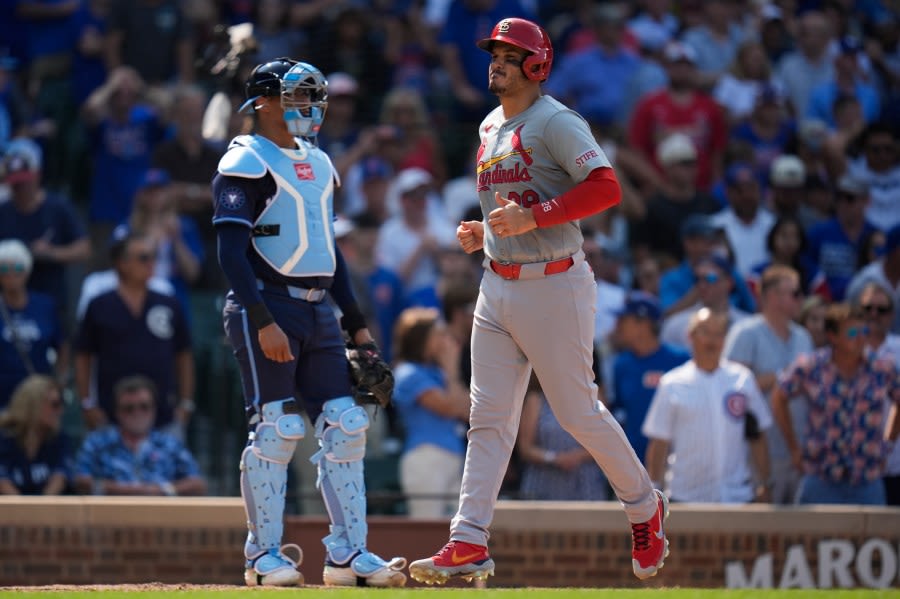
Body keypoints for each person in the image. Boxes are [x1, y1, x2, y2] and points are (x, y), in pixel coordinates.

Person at [409, 18, 669, 586]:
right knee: (489, 419)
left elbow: (606, 187)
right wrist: (488, 232)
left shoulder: (555, 120)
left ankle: (643, 505)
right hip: (496, 282)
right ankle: (468, 539)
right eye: (494, 53)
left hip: (554, 284)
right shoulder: (488, 125)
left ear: (537, 65)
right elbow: (515, 202)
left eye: (510, 54)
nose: (496, 62)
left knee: (577, 412)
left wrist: (533, 218)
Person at [211, 58, 407, 587]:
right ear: (265, 102)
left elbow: (329, 251)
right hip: (268, 305)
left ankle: (347, 554)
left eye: (312, 97)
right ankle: (263, 555)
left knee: (346, 427)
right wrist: (261, 319)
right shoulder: (245, 160)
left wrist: (357, 325)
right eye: (297, 97)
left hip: (320, 309)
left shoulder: (320, 163)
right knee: (278, 428)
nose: (309, 108)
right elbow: (231, 253)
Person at [772, 303, 900, 505]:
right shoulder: (811, 366)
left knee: (874, 538)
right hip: (820, 476)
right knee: (811, 537)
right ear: (832, 336)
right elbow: (779, 396)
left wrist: (888, 443)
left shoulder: (882, 367)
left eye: (864, 331)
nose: (860, 338)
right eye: (852, 332)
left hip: (867, 477)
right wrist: (794, 448)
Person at [643, 308, 773, 503]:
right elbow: (659, 441)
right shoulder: (672, 383)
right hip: (686, 497)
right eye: (705, 332)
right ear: (690, 336)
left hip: (737, 497)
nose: (712, 340)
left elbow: (758, 436)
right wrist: (654, 489)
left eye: (719, 334)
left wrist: (765, 483)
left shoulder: (742, 379)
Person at [74, 232, 194, 434]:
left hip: (163, 416)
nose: (151, 263)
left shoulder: (169, 303)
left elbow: (183, 354)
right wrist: (87, 403)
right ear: (122, 263)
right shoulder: (99, 305)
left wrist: (186, 404)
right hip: (108, 415)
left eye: (153, 257)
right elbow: (83, 355)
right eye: (143, 258)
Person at [723, 265, 814, 504]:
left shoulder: (803, 336)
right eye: (794, 293)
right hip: (757, 453)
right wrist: (784, 375)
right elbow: (730, 390)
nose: (801, 299)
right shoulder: (745, 332)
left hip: (797, 451)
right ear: (773, 297)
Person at [391, 307, 470, 518]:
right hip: (426, 457)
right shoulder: (408, 373)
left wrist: (450, 372)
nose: (446, 340)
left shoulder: (438, 372)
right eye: (439, 334)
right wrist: (452, 369)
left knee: (456, 532)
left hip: (453, 457)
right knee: (427, 529)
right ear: (421, 339)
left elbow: (467, 410)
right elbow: (450, 408)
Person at [73, 375, 206, 497]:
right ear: (117, 412)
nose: (137, 413)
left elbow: (198, 484)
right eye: (129, 408)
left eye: (144, 406)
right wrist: (127, 491)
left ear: (154, 409)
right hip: (109, 517)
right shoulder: (97, 442)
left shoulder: (170, 444)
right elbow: (79, 481)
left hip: (160, 517)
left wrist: (163, 490)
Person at [610, 292, 689, 466]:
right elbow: (619, 412)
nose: (617, 326)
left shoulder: (681, 360)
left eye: (623, 320)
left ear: (643, 325)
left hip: (675, 464)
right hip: (633, 465)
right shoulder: (621, 364)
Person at [0, 240, 64, 409]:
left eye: (18, 268)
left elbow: (62, 345)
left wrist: (59, 383)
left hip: (38, 396)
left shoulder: (45, 305)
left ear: (27, 271)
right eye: (5, 269)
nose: (12, 274)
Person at [853, 282, 900, 505]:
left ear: (890, 315)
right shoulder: (845, 349)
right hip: (853, 465)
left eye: (881, 310)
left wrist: (886, 446)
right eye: (867, 308)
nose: (873, 314)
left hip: (896, 464)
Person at [0, 374, 70, 495]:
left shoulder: (58, 439)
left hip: (46, 511)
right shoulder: (4, 438)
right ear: (33, 405)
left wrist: (40, 510)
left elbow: (60, 477)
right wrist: (26, 511)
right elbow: (2, 482)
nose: (60, 410)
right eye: (54, 404)